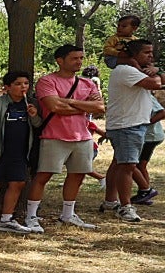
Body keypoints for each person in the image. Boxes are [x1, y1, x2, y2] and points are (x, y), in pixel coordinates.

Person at [24, 45, 104, 231]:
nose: (79, 62)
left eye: (81, 58)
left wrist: (69, 101)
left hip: (83, 136)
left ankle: (68, 215)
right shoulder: (47, 81)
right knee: (43, 175)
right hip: (54, 136)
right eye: (74, 58)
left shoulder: (87, 83)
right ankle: (31, 216)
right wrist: (85, 106)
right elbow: (55, 107)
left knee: (77, 175)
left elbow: (100, 107)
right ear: (60, 60)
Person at [102, 39, 165, 222]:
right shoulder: (126, 71)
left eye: (151, 52)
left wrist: (156, 70)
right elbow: (154, 84)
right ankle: (125, 207)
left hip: (130, 124)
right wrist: (155, 74)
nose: (151, 56)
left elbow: (160, 80)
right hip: (127, 125)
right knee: (128, 166)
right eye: (146, 53)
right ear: (133, 55)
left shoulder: (134, 71)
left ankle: (110, 201)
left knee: (119, 164)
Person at [0, 71, 42, 233]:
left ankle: (6, 218)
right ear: (7, 87)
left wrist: (34, 116)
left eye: (26, 83)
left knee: (18, 182)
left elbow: (38, 124)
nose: (23, 87)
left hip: (19, 152)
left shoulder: (30, 104)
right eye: (18, 84)